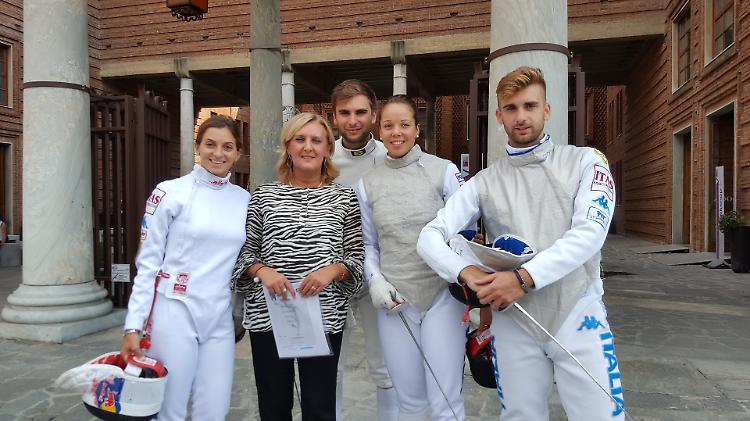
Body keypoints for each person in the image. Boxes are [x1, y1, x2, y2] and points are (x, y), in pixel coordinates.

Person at [417, 66, 625, 421]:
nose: (521, 117)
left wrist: (523, 279)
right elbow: (429, 236)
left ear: (547, 110)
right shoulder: (483, 182)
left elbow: (589, 233)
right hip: (514, 321)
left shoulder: (585, 161)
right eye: (511, 108)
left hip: (577, 310)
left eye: (530, 106)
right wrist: (465, 271)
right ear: (499, 115)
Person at [232, 112, 364, 420]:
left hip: (324, 317)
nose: (308, 147)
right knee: (274, 405)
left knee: (320, 407)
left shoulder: (344, 198)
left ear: (328, 148)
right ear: (288, 147)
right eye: (300, 139)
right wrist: (262, 271)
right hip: (269, 317)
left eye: (316, 140)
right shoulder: (263, 196)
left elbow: (357, 257)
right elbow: (244, 254)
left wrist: (333, 271)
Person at [120, 115, 251, 420]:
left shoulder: (244, 199)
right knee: (170, 409)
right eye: (210, 145)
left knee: (215, 410)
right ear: (198, 146)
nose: (218, 153)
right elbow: (148, 264)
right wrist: (133, 326)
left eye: (227, 147)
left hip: (219, 317)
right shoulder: (169, 192)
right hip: (174, 311)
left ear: (237, 153)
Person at [356, 95, 467, 421]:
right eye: (388, 125)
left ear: (417, 129)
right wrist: (375, 281)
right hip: (395, 300)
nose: (396, 132)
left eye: (404, 124)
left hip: (442, 296)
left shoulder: (443, 171)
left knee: (446, 401)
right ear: (379, 130)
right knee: (409, 403)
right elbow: (368, 243)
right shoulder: (367, 183)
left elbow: (463, 234)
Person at [329, 79, 397, 421]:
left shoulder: (390, 156)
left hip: (379, 273)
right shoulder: (322, 156)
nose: (352, 120)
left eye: (360, 112)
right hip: (332, 273)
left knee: (384, 364)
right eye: (345, 113)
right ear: (334, 116)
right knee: (330, 364)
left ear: (373, 114)